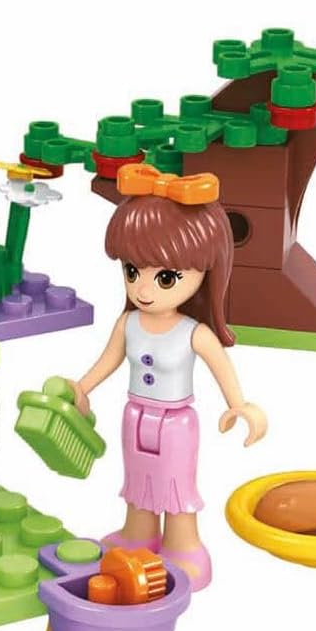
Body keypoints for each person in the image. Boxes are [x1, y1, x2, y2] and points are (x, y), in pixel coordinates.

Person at [68, 163, 267, 591]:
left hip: (176, 424)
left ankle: (183, 545)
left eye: (165, 278)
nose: (143, 289)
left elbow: (222, 369)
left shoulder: (194, 333)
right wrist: (82, 388)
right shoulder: (129, 324)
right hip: (135, 415)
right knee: (139, 483)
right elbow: (109, 360)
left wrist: (239, 405)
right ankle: (138, 534)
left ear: (205, 271)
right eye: (132, 271)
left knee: (176, 487)